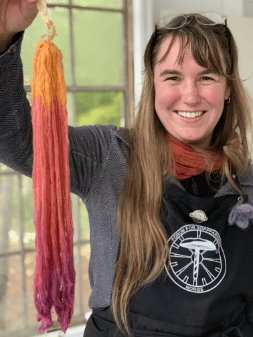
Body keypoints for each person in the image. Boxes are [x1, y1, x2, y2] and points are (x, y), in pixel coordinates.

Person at [1, 1, 253, 336]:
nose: (190, 96)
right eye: (173, 77)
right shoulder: (110, 157)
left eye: (206, 77)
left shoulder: (247, 181)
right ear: (153, 87)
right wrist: (3, 34)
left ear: (226, 90)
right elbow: (14, 136)